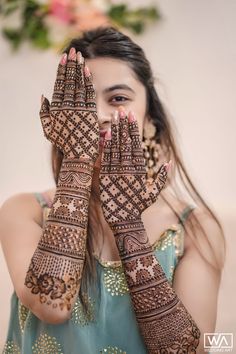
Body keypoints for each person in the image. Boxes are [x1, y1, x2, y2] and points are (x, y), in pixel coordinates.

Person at [0, 26, 225, 354]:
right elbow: (51, 305)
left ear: (150, 119)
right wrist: (77, 158)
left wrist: (127, 222)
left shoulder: (195, 229)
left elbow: (191, 351)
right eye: (84, 103)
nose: (99, 117)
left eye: (118, 99)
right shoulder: (25, 211)